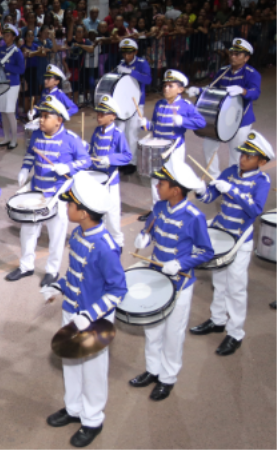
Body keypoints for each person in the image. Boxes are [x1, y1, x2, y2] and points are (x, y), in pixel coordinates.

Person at [41, 171, 127, 448]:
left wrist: (90, 315)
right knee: (71, 361)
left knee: (93, 369)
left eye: (70, 205)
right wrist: (60, 287)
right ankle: (73, 408)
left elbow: (118, 290)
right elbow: (78, 275)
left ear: (85, 213)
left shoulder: (105, 247)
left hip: (94, 319)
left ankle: (92, 419)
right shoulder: (79, 234)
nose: (67, 208)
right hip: (72, 312)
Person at [129, 158, 213, 401]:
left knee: (173, 333)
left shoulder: (194, 216)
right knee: (152, 328)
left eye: (161, 183)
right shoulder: (159, 208)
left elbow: (206, 251)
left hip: (180, 282)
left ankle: (167, 377)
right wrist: (144, 238)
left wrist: (181, 263)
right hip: (156, 276)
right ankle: (152, 369)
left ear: (175, 190)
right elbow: (152, 231)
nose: (157, 186)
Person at [190, 131, 272, 356]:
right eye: (242, 153)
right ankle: (217, 319)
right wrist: (200, 189)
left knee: (236, 288)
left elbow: (255, 209)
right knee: (219, 280)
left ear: (261, 161)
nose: (243, 159)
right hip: (220, 234)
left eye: (249, 156)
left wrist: (232, 190)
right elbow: (209, 198)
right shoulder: (229, 172)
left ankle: (235, 332)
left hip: (239, 240)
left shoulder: (262, 181)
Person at [7, 96, 89, 286]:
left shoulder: (71, 139)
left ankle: (52, 270)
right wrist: (25, 169)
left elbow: (86, 161)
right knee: (27, 231)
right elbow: (30, 154)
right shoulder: (36, 135)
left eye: (45, 116)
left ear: (58, 120)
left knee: (56, 235)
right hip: (36, 191)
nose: (41, 120)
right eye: (41, 116)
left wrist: (67, 167)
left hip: (58, 195)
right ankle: (26, 266)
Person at [187, 38, 261, 180]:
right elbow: (212, 88)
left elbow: (256, 93)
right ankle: (215, 178)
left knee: (236, 153)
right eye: (232, 53)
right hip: (220, 119)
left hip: (241, 120)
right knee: (208, 147)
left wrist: (243, 91)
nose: (233, 56)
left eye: (237, 54)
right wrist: (199, 90)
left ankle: (232, 180)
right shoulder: (223, 71)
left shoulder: (252, 73)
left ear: (246, 58)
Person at [138, 70, 206, 221]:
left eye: (170, 86)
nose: (166, 89)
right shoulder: (160, 104)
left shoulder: (185, 105)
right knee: (156, 179)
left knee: (174, 179)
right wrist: (146, 124)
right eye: (165, 85)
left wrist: (183, 121)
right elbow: (155, 126)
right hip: (157, 146)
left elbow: (201, 122)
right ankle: (156, 210)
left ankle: (177, 208)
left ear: (180, 89)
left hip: (173, 147)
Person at [88, 96, 131, 247]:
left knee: (112, 216)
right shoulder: (97, 131)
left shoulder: (117, 134)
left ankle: (118, 243)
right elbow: (91, 150)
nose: (99, 116)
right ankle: (102, 241)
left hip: (110, 180)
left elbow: (127, 156)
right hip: (97, 180)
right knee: (98, 212)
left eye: (103, 114)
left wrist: (110, 159)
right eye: (98, 113)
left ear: (112, 116)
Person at [114, 38, 151, 176]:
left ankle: (133, 162)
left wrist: (131, 72)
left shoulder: (142, 63)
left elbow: (148, 79)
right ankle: (122, 160)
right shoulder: (121, 63)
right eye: (124, 53)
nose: (126, 56)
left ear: (135, 52)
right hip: (123, 103)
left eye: (129, 53)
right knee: (120, 132)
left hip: (136, 103)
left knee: (132, 133)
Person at [0, 24, 25, 149]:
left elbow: (21, 69)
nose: (5, 38)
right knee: (3, 112)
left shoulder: (17, 52)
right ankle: (6, 138)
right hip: (2, 83)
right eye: (4, 35)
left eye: (7, 36)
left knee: (10, 111)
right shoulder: (1, 50)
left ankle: (14, 139)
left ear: (13, 37)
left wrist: (6, 67)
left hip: (12, 84)